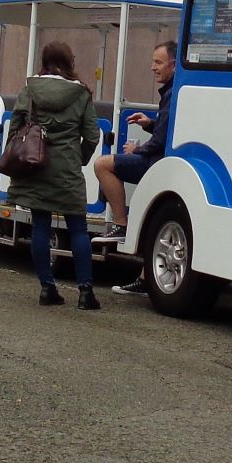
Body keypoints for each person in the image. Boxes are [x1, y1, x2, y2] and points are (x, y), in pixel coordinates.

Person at [9, 41, 100, 310]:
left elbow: (15, 126)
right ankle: (85, 293)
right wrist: (78, 158)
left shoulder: (30, 89)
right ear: (68, 62)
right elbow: (93, 135)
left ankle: (47, 289)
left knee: (40, 226)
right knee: (78, 229)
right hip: (68, 170)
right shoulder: (81, 93)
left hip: (35, 166)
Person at [97, 41, 176, 295]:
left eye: (158, 62)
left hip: (158, 163)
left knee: (103, 165)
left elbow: (163, 141)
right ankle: (145, 278)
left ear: (174, 65)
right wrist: (150, 124)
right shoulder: (173, 91)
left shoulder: (174, 93)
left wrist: (137, 151)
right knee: (158, 220)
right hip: (162, 161)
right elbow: (167, 130)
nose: (153, 67)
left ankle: (121, 223)